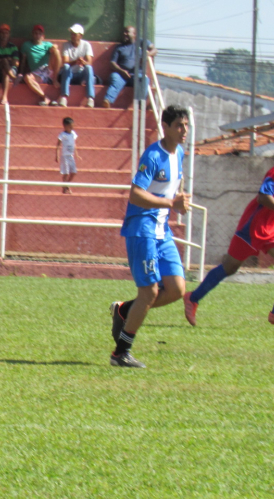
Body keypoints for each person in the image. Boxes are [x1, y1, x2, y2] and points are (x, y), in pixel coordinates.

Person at [184, 138, 274, 328]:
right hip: (254, 227)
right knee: (230, 267)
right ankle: (193, 297)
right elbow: (264, 197)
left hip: (273, 227)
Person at [109, 105, 191, 368]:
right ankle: (121, 353)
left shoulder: (179, 152)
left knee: (177, 289)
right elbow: (135, 194)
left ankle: (124, 310)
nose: (184, 130)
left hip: (161, 230)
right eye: (179, 125)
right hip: (142, 228)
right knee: (149, 291)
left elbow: (170, 190)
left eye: (186, 125)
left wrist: (177, 201)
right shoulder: (152, 156)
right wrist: (171, 203)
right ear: (164, 127)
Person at [103, 26, 156, 108]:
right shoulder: (119, 47)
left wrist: (147, 54)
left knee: (144, 79)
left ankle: (140, 103)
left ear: (134, 34)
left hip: (137, 75)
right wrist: (121, 71)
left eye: (127, 32)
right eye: (124, 32)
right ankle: (107, 100)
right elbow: (112, 63)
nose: (124, 34)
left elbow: (155, 50)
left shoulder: (141, 43)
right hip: (121, 75)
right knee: (115, 78)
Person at [20, 24, 61, 106]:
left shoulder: (47, 44)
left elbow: (54, 47)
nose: (37, 35)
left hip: (48, 69)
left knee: (56, 51)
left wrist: (54, 47)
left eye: (39, 33)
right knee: (27, 77)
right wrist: (20, 74)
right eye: (35, 33)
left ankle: (55, 79)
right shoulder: (26, 45)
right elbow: (23, 61)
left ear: (43, 36)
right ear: (32, 34)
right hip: (37, 73)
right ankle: (45, 97)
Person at [58, 24, 95, 108]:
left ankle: (90, 98)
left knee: (89, 68)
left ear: (80, 35)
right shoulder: (66, 45)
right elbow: (65, 61)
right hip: (69, 74)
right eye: (71, 33)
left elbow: (90, 62)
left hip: (81, 74)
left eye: (75, 34)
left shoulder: (86, 45)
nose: (72, 36)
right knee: (66, 67)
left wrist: (83, 62)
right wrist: (75, 62)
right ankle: (64, 97)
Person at [55, 117, 80, 193]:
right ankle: (64, 189)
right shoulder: (62, 135)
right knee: (66, 173)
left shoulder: (73, 134)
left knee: (74, 172)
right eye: (70, 127)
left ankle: (66, 185)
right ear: (65, 126)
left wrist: (77, 154)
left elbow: (74, 144)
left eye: (72, 127)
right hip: (65, 156)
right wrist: (57, 155)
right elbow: (58, 145)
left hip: (71, 156)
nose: (72, 128)